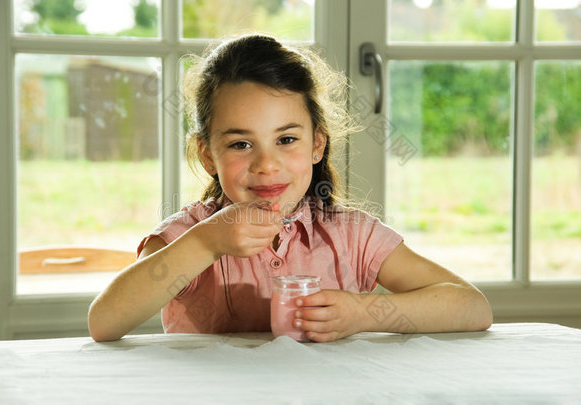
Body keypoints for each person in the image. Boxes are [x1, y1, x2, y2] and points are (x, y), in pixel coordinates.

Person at [88, 34, 492, 343]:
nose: (266, 165)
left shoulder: (352, 236)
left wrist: (363, 312)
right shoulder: (191, 234)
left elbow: (472, 307)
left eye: (286, 140)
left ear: (317, 144)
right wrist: (206, 244)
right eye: (240, 144)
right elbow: (104, 322)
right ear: (208, 156)